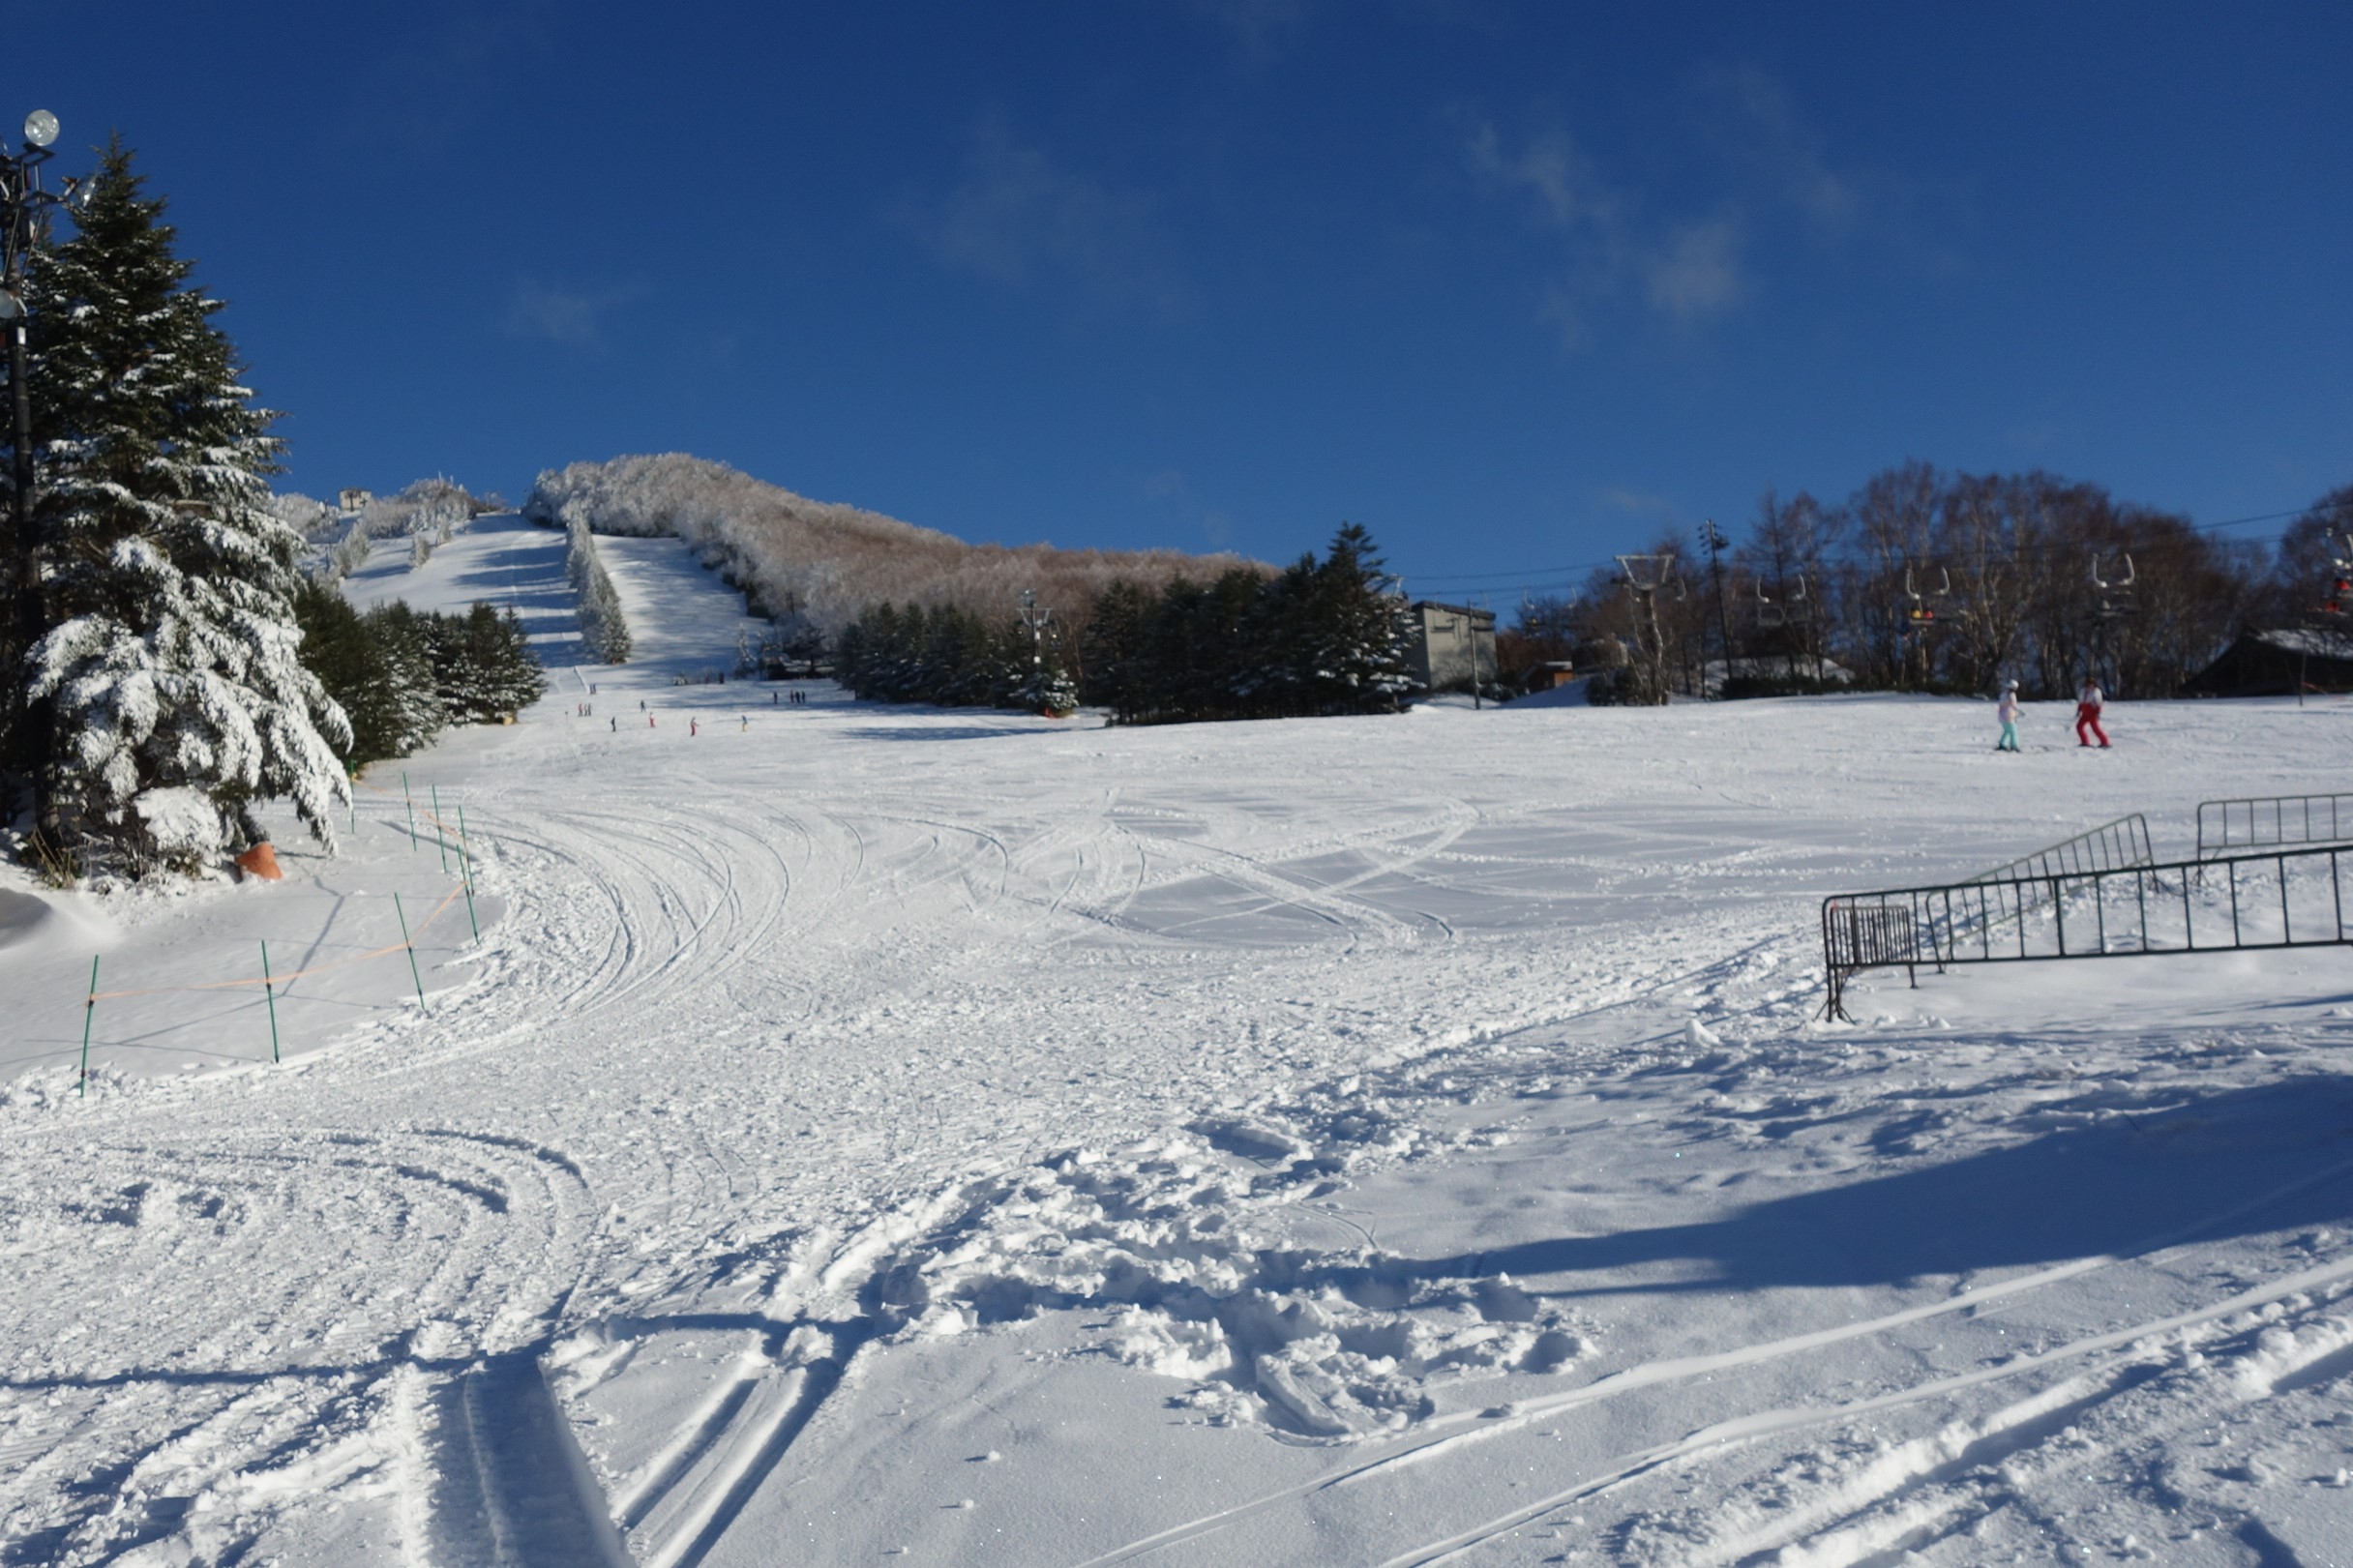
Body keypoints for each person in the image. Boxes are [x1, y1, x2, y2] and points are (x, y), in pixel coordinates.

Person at [2075, 677, 2109, 748]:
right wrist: (2079, 710)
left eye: (2091, 684)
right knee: (2079, 727)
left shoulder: (2096, 692)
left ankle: (2105, 742)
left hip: (2092, 713)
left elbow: (2099, 703)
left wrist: (2098, 712)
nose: (2089, 686)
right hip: (2085, 713)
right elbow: (2081, 702)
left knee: (2095, 729)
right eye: (2088, 684)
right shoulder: (2083, 691)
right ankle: (2085, 742)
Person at [1996, 680, 2022, 752]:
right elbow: (2013, 705)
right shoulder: (2011, 695)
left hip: (2002, 715)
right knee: (2013, 731)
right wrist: (2019, 712)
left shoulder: (2003, 694)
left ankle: (2002, 744)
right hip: (2009, 716)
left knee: (2007, 730)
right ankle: (2014, 745)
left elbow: (2002, 704)